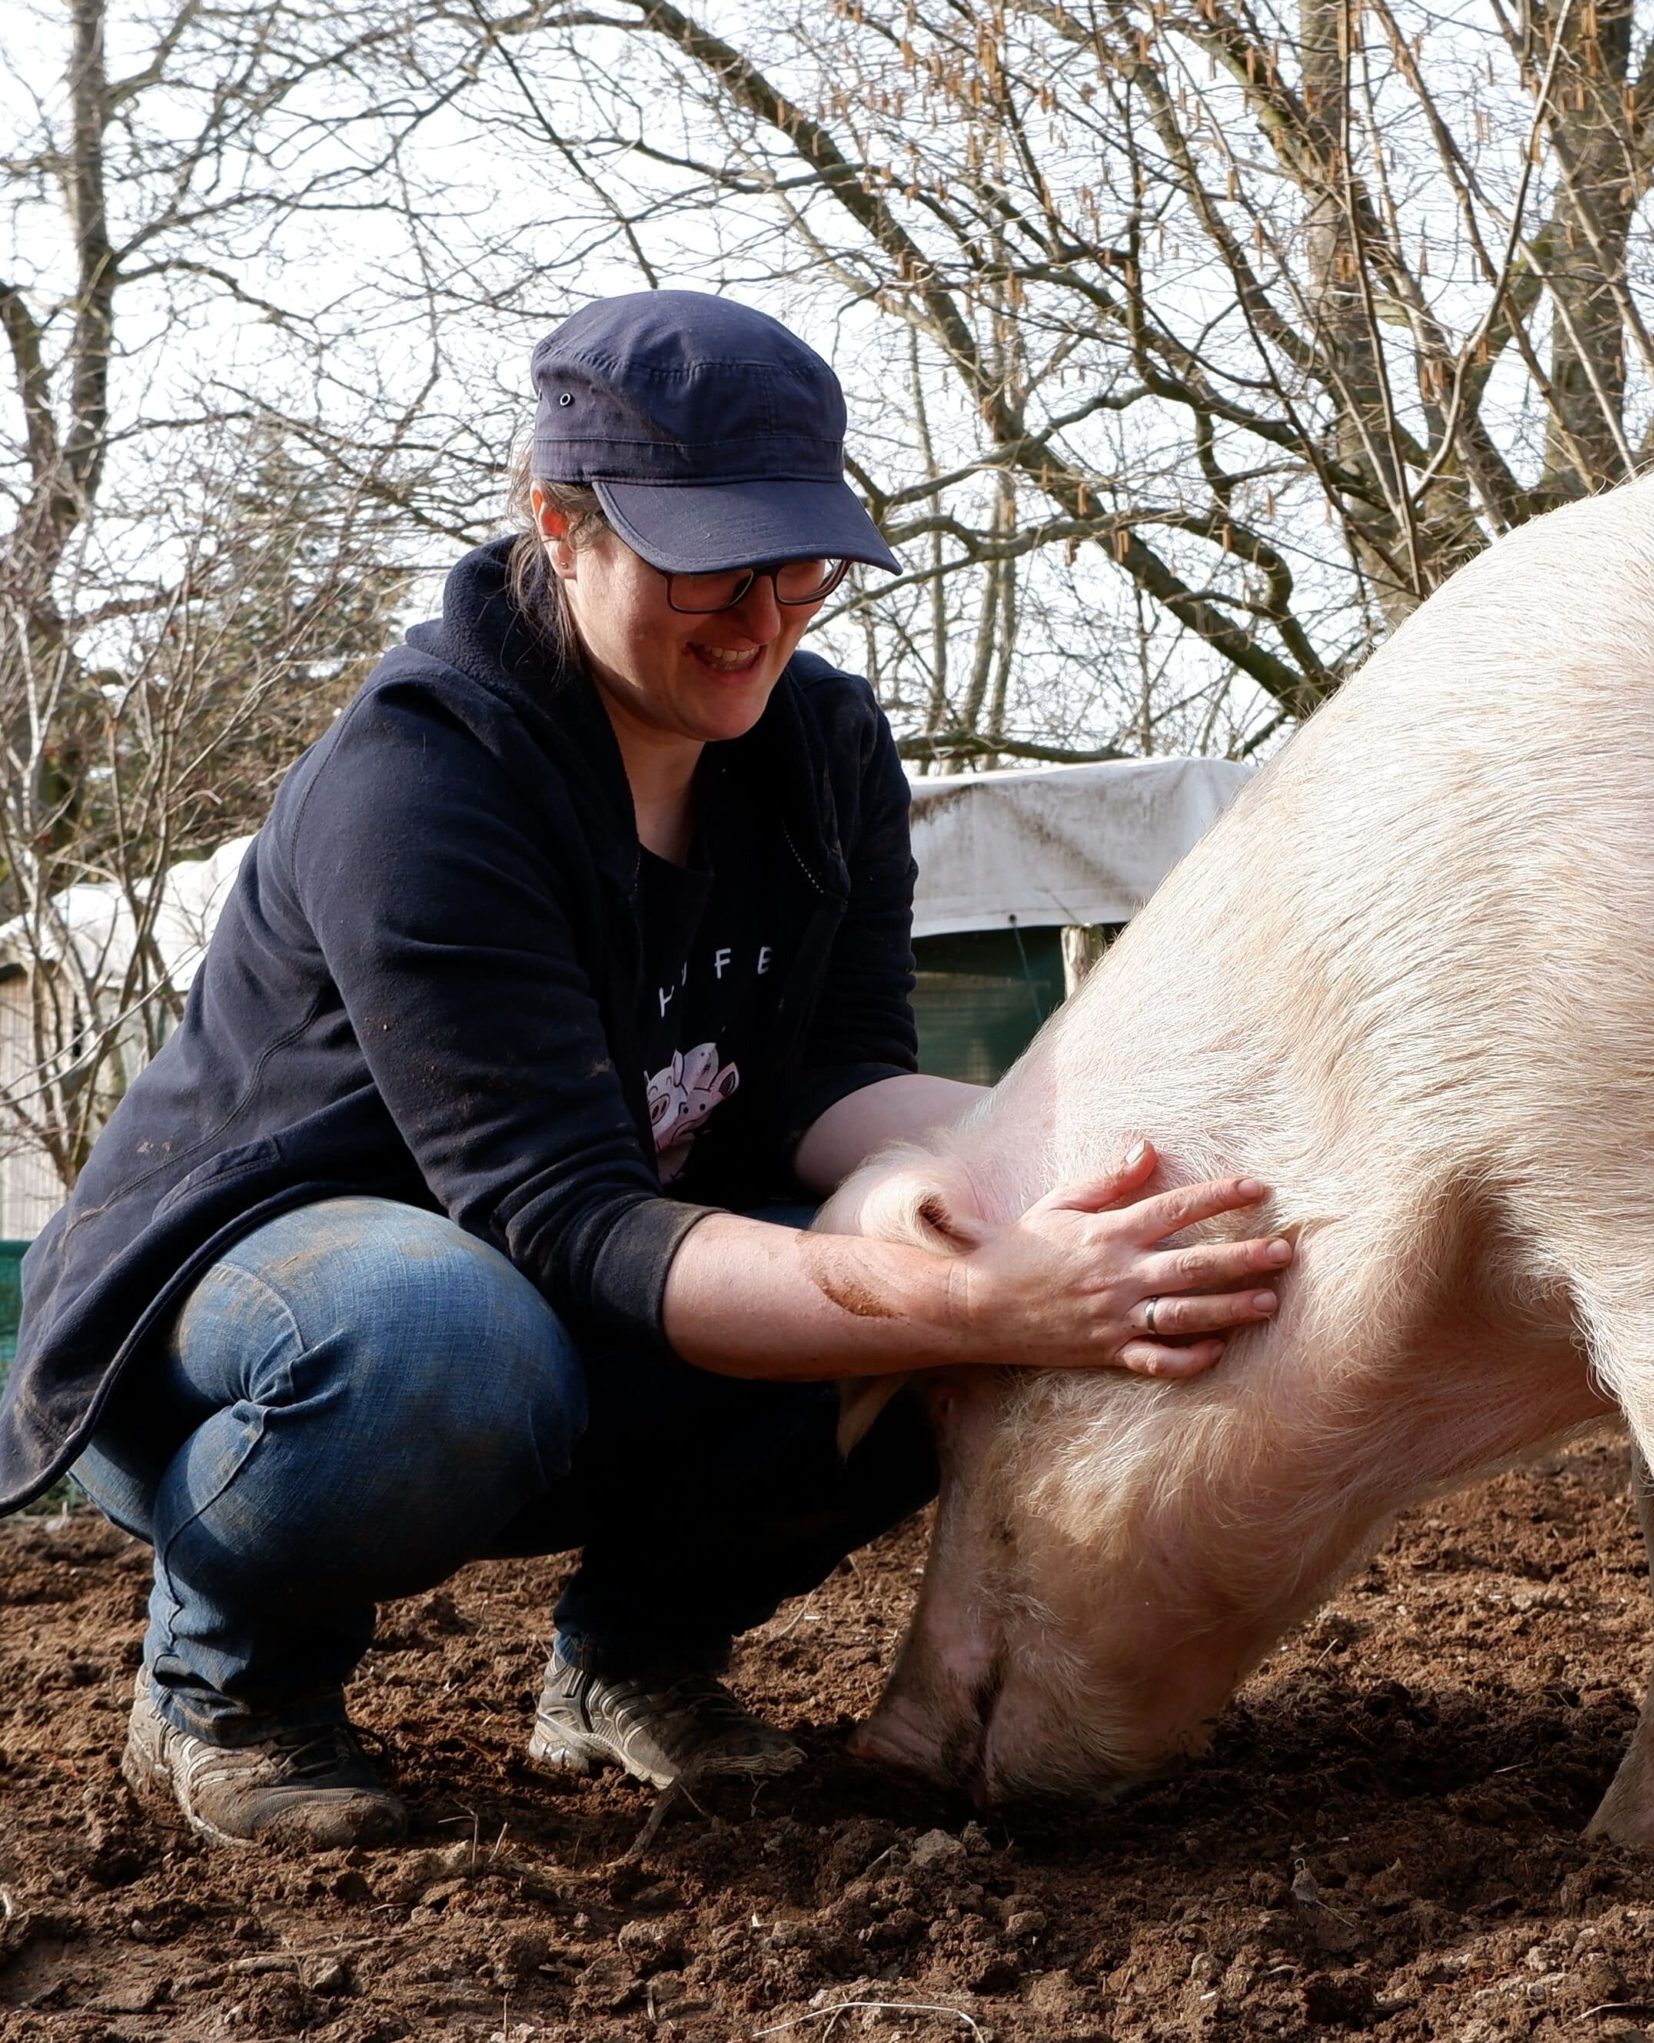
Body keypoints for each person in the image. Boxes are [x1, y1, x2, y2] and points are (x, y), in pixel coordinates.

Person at [0, 291, 1291, 1850]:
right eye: (707, 562)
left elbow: (835, 1080)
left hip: (581, 1301)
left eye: (799, 562)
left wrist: (1059, 1171)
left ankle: (632, 1663)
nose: (763, 616)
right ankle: (228, 1683)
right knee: (441, 1332)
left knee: (944, 1252)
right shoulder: (425, 778)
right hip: (264, 1333)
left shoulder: (820, 750)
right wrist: (983, 1296)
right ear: (559, 522)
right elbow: (567, 1218)